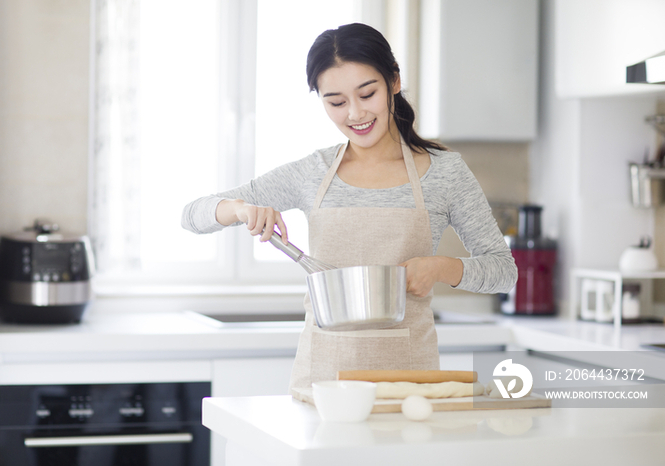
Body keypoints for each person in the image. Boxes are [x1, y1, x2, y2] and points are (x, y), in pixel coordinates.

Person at [182, 23, 517, 397]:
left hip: (408, 389)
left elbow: (504, 272)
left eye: (367, 93)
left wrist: (441, 268)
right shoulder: (313, 171)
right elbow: (193, 214)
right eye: (336, 102)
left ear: (393, 81)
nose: (355, 114)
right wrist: (240, 209)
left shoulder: (445, 172)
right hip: (323, 387)